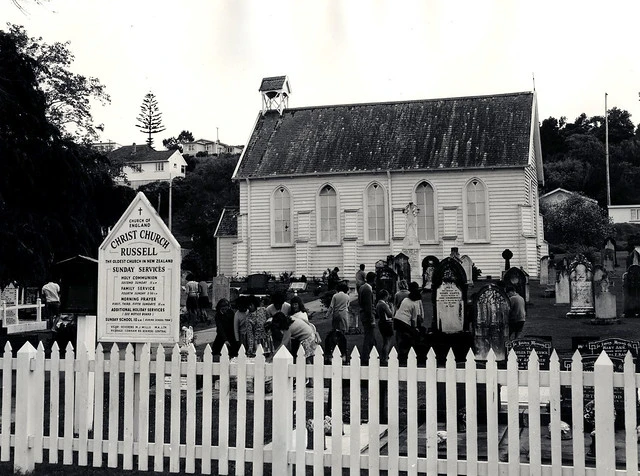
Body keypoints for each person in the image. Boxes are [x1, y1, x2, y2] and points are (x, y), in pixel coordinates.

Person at [393, 281, 424, 364]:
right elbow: (413, 319)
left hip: (397, 319)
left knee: (400, 337)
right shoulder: (415, 304)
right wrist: (415, 329)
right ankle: (409, 354)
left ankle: (400, 354)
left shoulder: (406, 299)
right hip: (404, 321)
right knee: (411, 337)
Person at [359, 271, 378, 364]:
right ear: (373, 280)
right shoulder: (367, 289)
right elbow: (368, 306)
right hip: (367, 316)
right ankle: (365, 357)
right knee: (368, 336)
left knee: (371, 336)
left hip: (364, 314)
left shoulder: (363, 287)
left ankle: (372, 353)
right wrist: (371, 318)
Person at [376, 289, 395, 364]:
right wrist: (392, 307)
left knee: (384, 341)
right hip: (387, 323)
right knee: (387, 341)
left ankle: (383, 356)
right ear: (385, 296)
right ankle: (386, 357)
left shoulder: (378, 304)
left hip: (381, 322)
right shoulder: (383, 304)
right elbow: (390, 314)